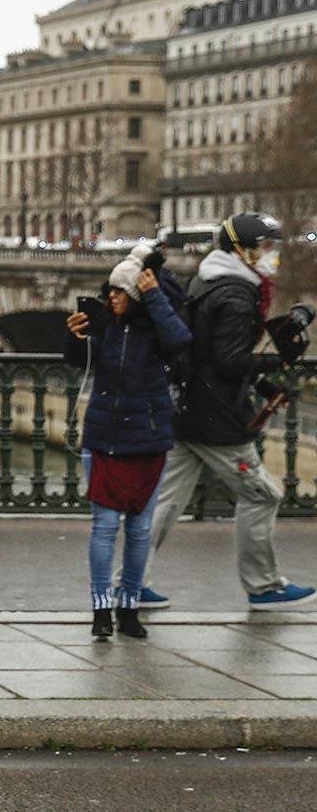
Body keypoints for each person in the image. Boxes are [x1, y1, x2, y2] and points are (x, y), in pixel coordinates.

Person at [140, 210, 315, 611]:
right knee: (263, 495)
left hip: (187, 406)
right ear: (244, 252)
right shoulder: (238, 295)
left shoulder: (206, 280)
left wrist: (261, 383)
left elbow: (203, 354)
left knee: (165, 502)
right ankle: (264, 585)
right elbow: (227, 361)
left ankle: (129, 583)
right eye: (267, 248)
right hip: (216, 418)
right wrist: (277, 364)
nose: (273, 255)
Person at [65, 244, 190, 639]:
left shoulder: (156, 331)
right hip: (102, 437)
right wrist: (75, 338)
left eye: (119, 292)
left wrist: (153, 294)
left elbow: (180, 340)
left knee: (138, 530)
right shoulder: (106, 326)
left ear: (135, 295)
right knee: (103, 526)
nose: (111, 298)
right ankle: (102, 609)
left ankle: (129, 605)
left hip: (147, 440)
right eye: (110, 292)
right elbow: (81, 363)